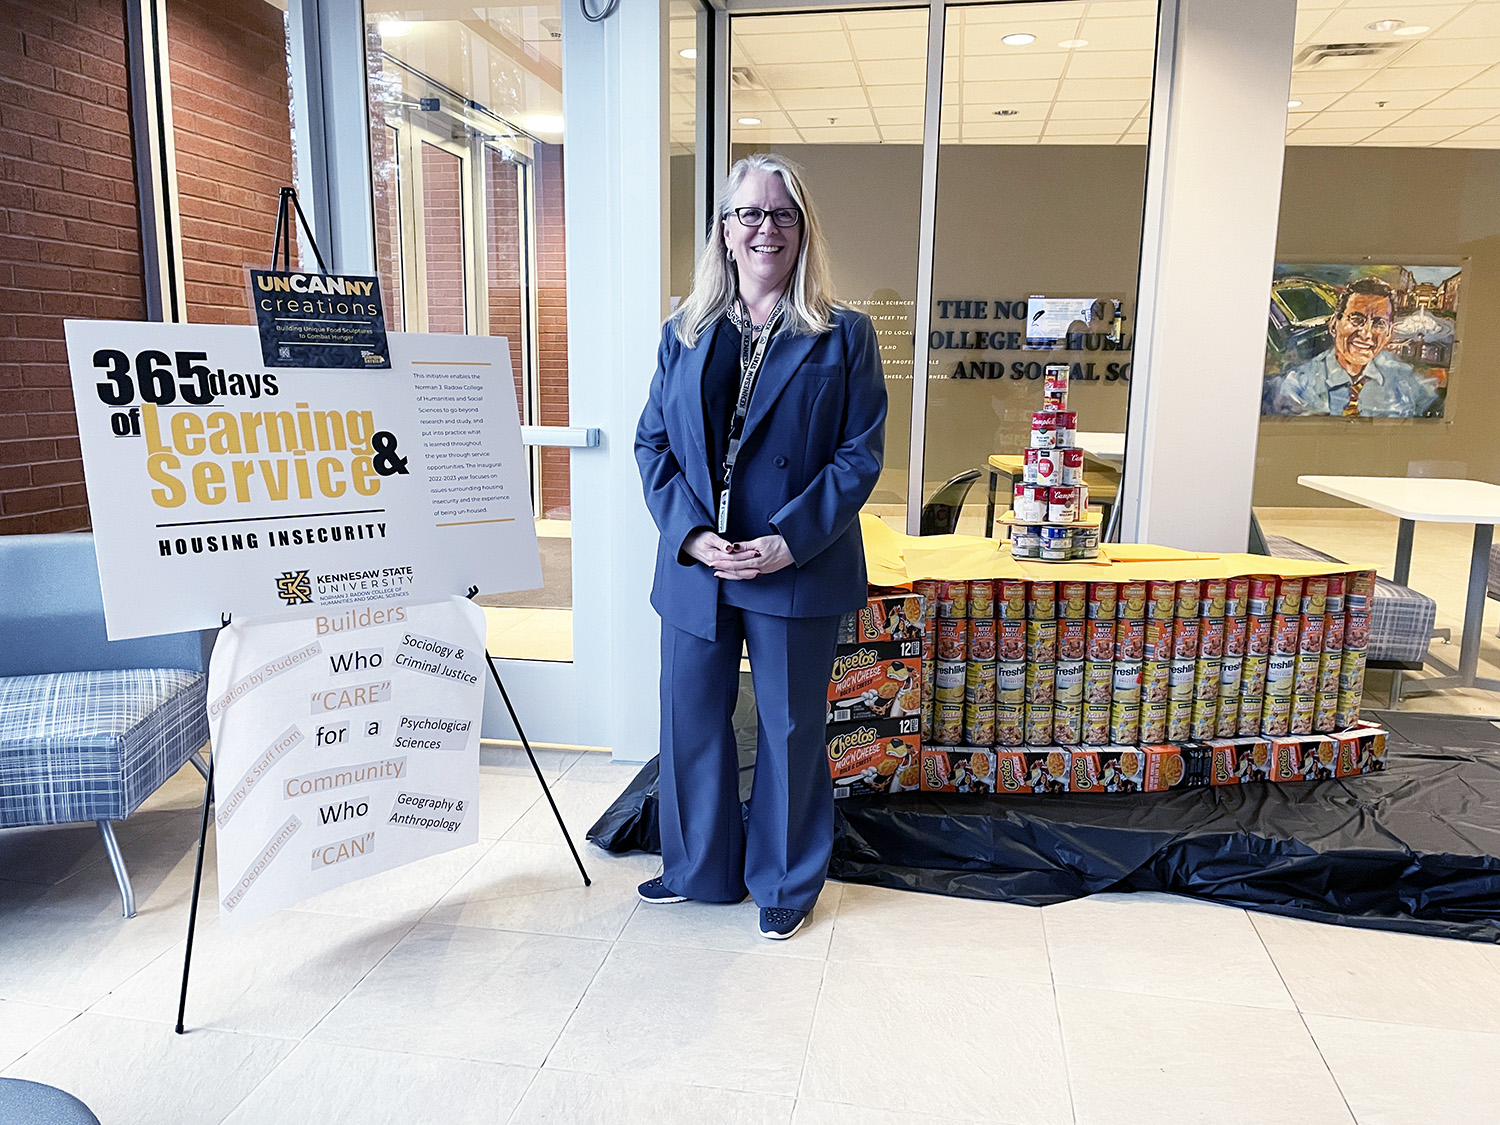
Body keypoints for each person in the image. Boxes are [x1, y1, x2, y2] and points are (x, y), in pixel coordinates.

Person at [633, 154, 887, 940]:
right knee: (692, 718)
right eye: (749, 213)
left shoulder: (844, 334)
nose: (764, 228)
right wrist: (693, 535)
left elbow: (860, 454)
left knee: (787, 728)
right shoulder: (686, 329)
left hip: (793, 565)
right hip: (699, 565)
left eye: (780, 214)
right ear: (725, 229)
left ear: (801, 228)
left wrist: (787, 541)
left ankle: (783, 883)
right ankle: (699, 869)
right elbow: (653, 445)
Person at [1275, 277, 1438, 417]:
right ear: (1334, 325)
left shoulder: (1407, 383)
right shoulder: (1299, 386)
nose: (1366, 334)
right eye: (1356, 319)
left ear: (1388, 334)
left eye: (1379, 324)